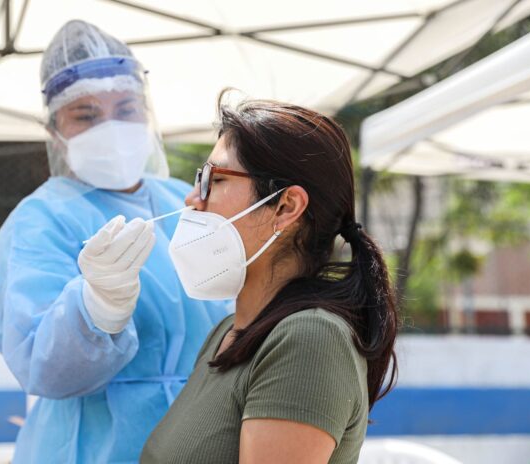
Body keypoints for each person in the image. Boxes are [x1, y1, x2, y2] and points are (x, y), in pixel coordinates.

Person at [0, 20, 229, 463]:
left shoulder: (185, 201)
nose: (111, 128)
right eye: (86, 115)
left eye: (126, 108)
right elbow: (43, 369)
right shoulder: (39, 221)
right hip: (91, 448)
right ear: (55, 131)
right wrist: (96, 310)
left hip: (200, 439)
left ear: (146, 113)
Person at [141, 96, 399, 464]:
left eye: (215, 179)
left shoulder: (309, 339)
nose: (192, 198)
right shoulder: (227, 333)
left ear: (286, 207)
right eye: (200, 178)